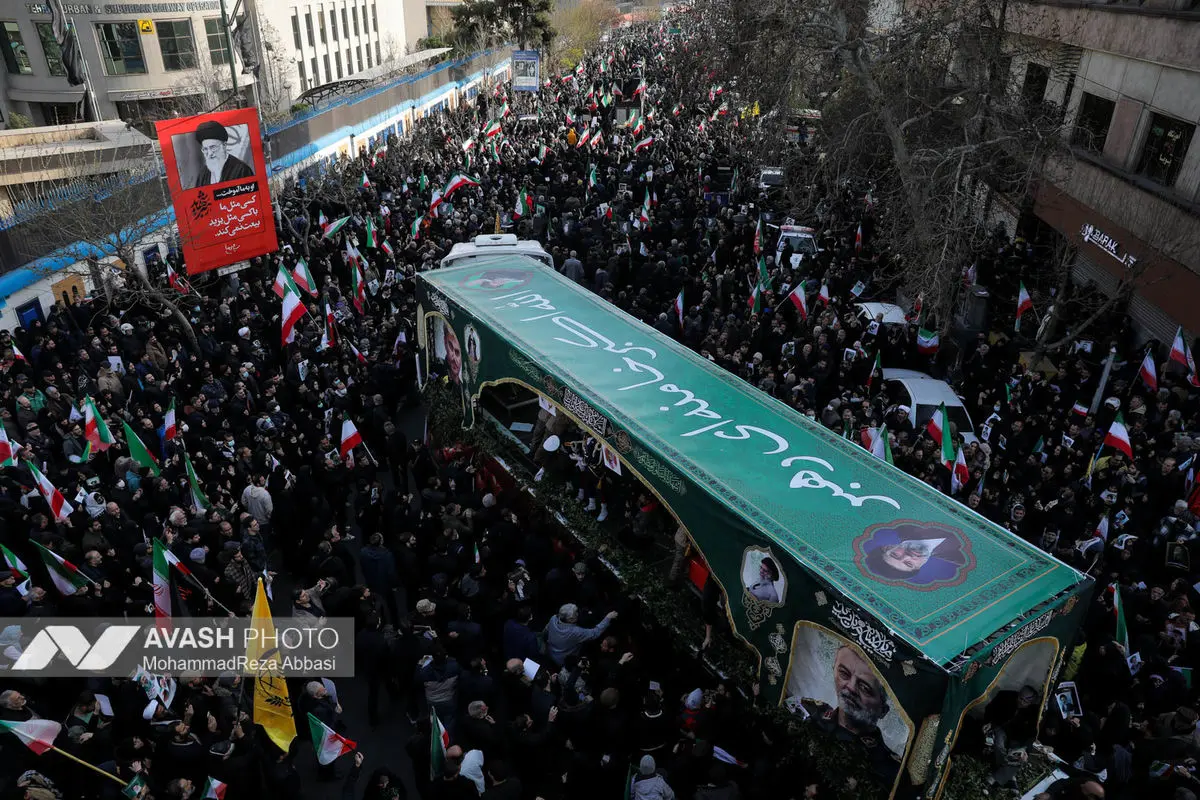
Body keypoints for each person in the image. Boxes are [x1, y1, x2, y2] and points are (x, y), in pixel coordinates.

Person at [800, 645, 900, 782]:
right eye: (844, 674)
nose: (851, 687)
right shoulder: (808, 712)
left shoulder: (892, 771)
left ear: (883, 711)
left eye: (865, 687)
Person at [190, 121, 254, 188]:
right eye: (205, 149)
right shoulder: (202, 175)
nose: (210, 153)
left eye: (213, 147)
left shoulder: (242, 170)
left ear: (224, 145)